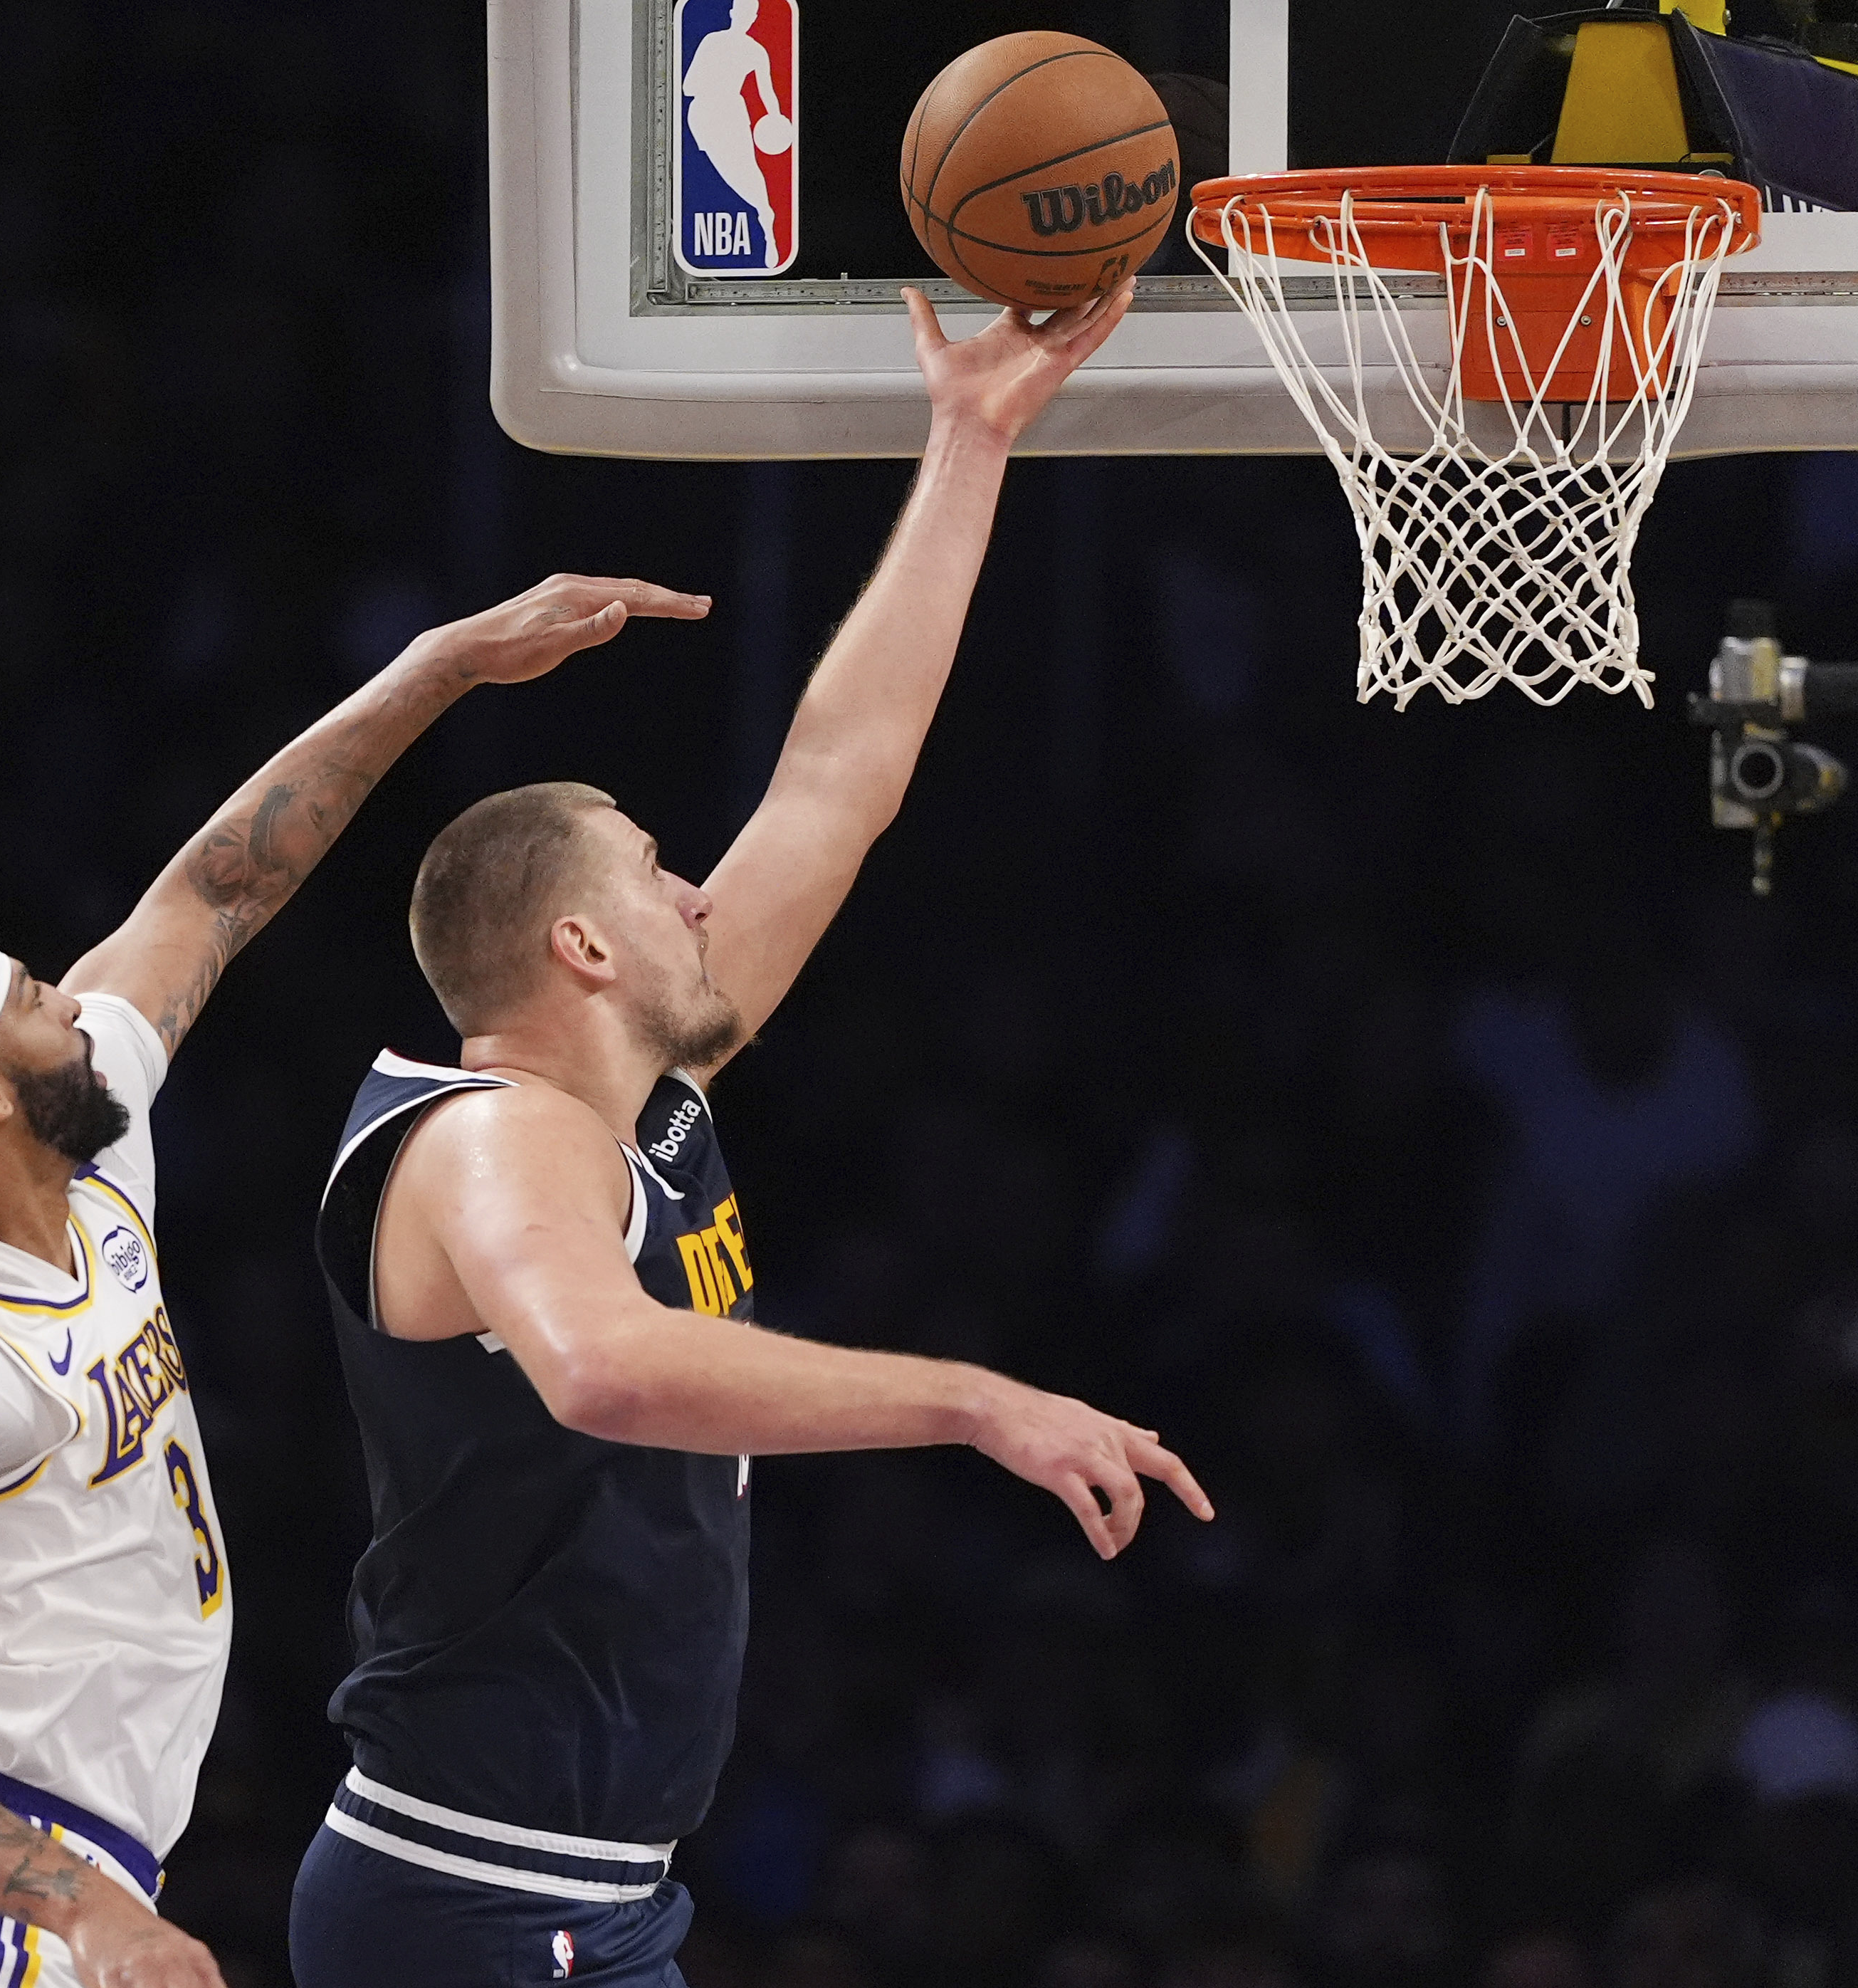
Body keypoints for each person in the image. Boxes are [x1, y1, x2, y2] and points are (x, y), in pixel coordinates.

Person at [288, 281, 1209, 1988]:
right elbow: (604, 1367)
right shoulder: (489, 1135)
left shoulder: (642, 1099)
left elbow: (836, 780)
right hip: (474, 1888)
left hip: (588, 1883)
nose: (696, 885)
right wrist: (973, 1397)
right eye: (653, 869)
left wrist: (969, 438)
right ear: (576, 946)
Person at [0, 572, 708, 1988]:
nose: (73, 998)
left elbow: (221, 882)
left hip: (72, 1871)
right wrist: (84, 1910)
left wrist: (437, 668)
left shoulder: (88, 1140)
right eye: (30, 1002)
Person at [682, 0, 790, 266]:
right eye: (741, 13)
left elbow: (768, 92)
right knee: (719, 174)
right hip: (703, 114)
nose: (746, 19)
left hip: (732, 112)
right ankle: (762, 213)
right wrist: (716, 81)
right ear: (732, 14)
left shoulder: (756, 51)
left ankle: (767, 221)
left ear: (754, 18)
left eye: (750, 15)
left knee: (747, 169)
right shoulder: (711, 41)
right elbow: (687, 87)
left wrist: (775, 118)